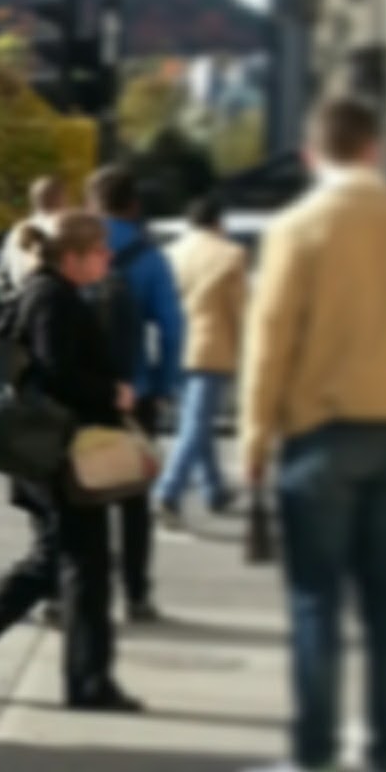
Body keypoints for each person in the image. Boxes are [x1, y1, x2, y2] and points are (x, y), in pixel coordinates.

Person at [239, 98, 386, 772]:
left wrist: (255, 435)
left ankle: (317, 763)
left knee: (317, 602)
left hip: (323, 430)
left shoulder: (299, 227)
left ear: (313, 156)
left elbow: (270, 339)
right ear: (375, 150)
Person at [0, 212, 143, 712]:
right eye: (99, 251)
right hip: (59, 454)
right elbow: (56, 372)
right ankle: (88, 683)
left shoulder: (45, 293)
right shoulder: (53, 299)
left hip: (47, 453)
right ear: (72, 257)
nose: (107, 258)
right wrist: (111, 393)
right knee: (85, 568)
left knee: (55, 561)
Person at [88, 165, 185, 623]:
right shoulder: (149, 258)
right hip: (134, 392)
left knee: (79, 499)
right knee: (133, 501)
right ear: (134, 205)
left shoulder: (73, 248)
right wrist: (163, 386)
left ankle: (76, 592)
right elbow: (173, 329)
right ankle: (136, 593)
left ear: (93, 204)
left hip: (77, 393)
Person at [154, 194, 246, 529]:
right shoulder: (230, 254)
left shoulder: (171, 253)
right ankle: (168, 491)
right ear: (219, 222)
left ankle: (214, 489)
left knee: (196, 421)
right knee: (196, 424)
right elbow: (240, 308)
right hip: (210, 348)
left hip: (174, 346)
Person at [0, 175, 74, 303]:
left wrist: (13, 303)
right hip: (56, 303)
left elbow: (2, 276)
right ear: (61, 197)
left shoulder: (17, 231)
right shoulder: (65, 228)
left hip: (22, 302)